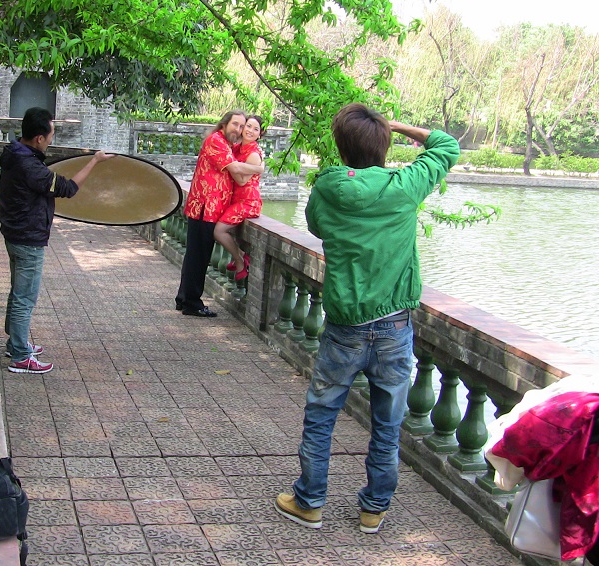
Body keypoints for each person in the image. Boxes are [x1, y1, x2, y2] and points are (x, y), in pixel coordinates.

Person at [274, 103, 460, 533]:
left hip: (344, 327)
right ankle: (373, 509)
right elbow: (447, 145)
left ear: (340, 146)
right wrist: (396, 125)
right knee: (387, 423)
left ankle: (310, 501)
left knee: (322, 414)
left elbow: (319, 227)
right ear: (384, 144)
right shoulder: (404, 186)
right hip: (394, 326)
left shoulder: (325, 189)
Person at [0, 107, 114, 373]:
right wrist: (94, 161)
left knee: (18, 292)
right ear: (39, 138)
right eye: (51, 134)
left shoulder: (16, 153)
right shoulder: (30, 166)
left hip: (16, 233)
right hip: (28, 237)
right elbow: (68, 189)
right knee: (24, 297)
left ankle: (15, 342)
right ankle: (19, 355)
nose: (52, 139)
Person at [175, 111, 265, 317]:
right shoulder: (216, 141)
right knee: (199, 257)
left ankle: (184, 298)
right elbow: (234, 167)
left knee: (194, 256)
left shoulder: (227, 144)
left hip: (209, 209)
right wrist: (259, 168)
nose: (240, 130)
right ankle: (192, 303)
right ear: (224, 124)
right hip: (205, 208)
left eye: (242, 126)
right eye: (236, 124)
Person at [214, 115, 265, 280]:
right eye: (248, 126)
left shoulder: (254, 155)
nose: (250, 131)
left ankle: (240, 260)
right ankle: (241, 255)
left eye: (255, 129)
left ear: (259, 134)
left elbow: (242, 181)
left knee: (219, 231)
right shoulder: (236, 148)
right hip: (236, 199)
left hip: (248, 201)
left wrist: (231, 166)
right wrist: (254, 169)